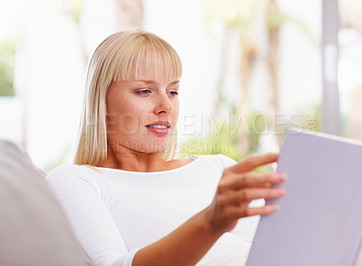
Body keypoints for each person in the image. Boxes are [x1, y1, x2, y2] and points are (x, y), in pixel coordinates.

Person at [46, 29, 287, 266]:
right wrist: (210, 222)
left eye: (173, 91)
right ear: (102, 101)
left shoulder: (220, 169)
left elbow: (275, 252)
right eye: (144, 91)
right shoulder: (77, 181)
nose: (166, 106)